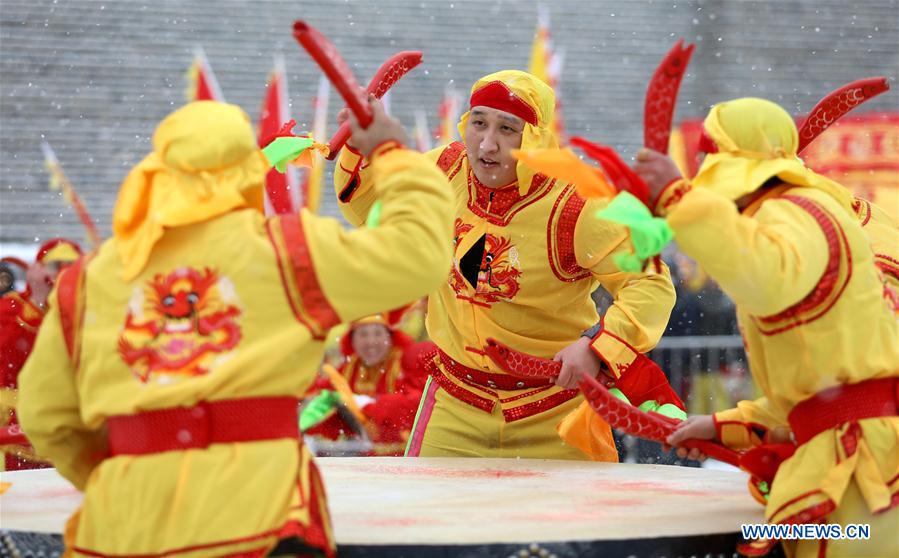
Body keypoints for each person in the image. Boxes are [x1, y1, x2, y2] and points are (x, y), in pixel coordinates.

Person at [18, 99, 453, 557]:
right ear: (245, 170)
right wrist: (391, 152)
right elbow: (419, 255)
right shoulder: (288, 251)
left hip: (122, 526)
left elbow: (47, 415)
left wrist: (132, 469)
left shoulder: (87, 280)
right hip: (258, 520)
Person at [334, 70, 676, 461]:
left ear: (536, 138)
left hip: (555, 408)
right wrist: (363, 146)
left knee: (569, 522)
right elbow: (368, 208)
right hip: (454, 401)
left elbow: (650, 284)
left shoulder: (580, 200)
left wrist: (596, 349)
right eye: (478, 123)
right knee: (431, 518)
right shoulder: (443, 170)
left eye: (508, 129)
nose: (487, 143)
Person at [633, 98, 898, 558]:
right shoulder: (799, 211)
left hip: (864, 474)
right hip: (848, 461)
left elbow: (764, 279)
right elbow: (819, 385)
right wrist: (725, 426)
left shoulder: (795, 211)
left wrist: (680, 199)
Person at [1, 239, 81, 471]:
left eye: (71, 266)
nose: (62, 273)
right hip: (19, 427)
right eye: (56, 266)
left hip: (73, 426)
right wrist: (38, 300)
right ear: (37, 269)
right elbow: (11, 352)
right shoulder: (12, 307)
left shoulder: (89, 311)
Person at [305, 312, 432, 455]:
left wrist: (369, 405)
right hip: (366, 459)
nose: (371, 342)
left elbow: (421, 405)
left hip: (407, 457)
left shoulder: (405, 362)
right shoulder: (349, 367)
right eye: (363, 335)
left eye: (378, 334)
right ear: (352, 341)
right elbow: (323, 408)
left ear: (390, 337)